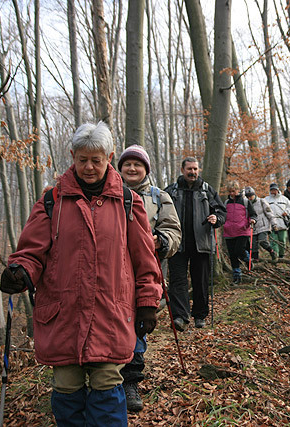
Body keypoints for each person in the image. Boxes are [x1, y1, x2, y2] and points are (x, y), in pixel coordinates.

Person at [0, 122, 163, 426]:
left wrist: (148, 302)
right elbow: (31, 252)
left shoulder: (129, 202)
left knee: (107, 384)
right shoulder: (52, 201)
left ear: (109, 157)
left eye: (96, 160)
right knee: (66, 386)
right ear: (72, 156)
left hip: (110, 313)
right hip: (63, 315)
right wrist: (20, 271)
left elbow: (145, 260)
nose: (89, 167)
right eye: (82, 159)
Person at [117, 144, 182, 412]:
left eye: (137, 165)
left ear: (146, 169)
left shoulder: (159, 197)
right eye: (127, 164)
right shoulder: (108, 193)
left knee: (140, 321)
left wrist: (163, 241)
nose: (132, 169)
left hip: (147, 269)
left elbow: (173, 231)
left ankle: (130, 380)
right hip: (112, 270)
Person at [165, 157, 226, 331]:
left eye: (195, 169)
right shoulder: (171, 191)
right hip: (177, 244)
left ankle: (200, 315)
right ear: (182, 170)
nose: (193, 172)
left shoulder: (207, 190)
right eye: (189, 169)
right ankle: (180, 317)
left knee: (200, 281)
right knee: (178, 281)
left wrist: (217, 219)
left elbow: (221, 210)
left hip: (202, 243)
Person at [223, 181, 257, 283]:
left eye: (233, 191)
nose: (231, 193)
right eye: (230, 191)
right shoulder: (226, 203)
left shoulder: (245, 201)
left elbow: (253, 214)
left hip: (242, 230)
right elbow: (222, 215)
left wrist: (253, 220)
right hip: (229, 231)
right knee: (232, 255)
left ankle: (247, 259)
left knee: (239, 250)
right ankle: (237, 275)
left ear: (238, 190)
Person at [245, 186, 277, 262]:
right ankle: (255, 259)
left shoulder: (262, 201)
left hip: (263, 225)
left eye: (251, 196)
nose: (250, 198)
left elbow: (269, 213)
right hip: (253, 227)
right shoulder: (246, 204)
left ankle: (272, 251)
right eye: (248, 197)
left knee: (262, 241)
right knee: (253, 245)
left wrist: (274, 224)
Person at [265, 183, 290, 258]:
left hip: (282, 223)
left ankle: (281, 255)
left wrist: (286, 212)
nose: (273, 192)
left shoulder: (284, 199)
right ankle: (275, 256)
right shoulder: (266, 199)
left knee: (282, 240)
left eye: (275, 190)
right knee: (273, 241)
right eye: (272, 190)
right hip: (271, 224)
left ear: (278, 190)